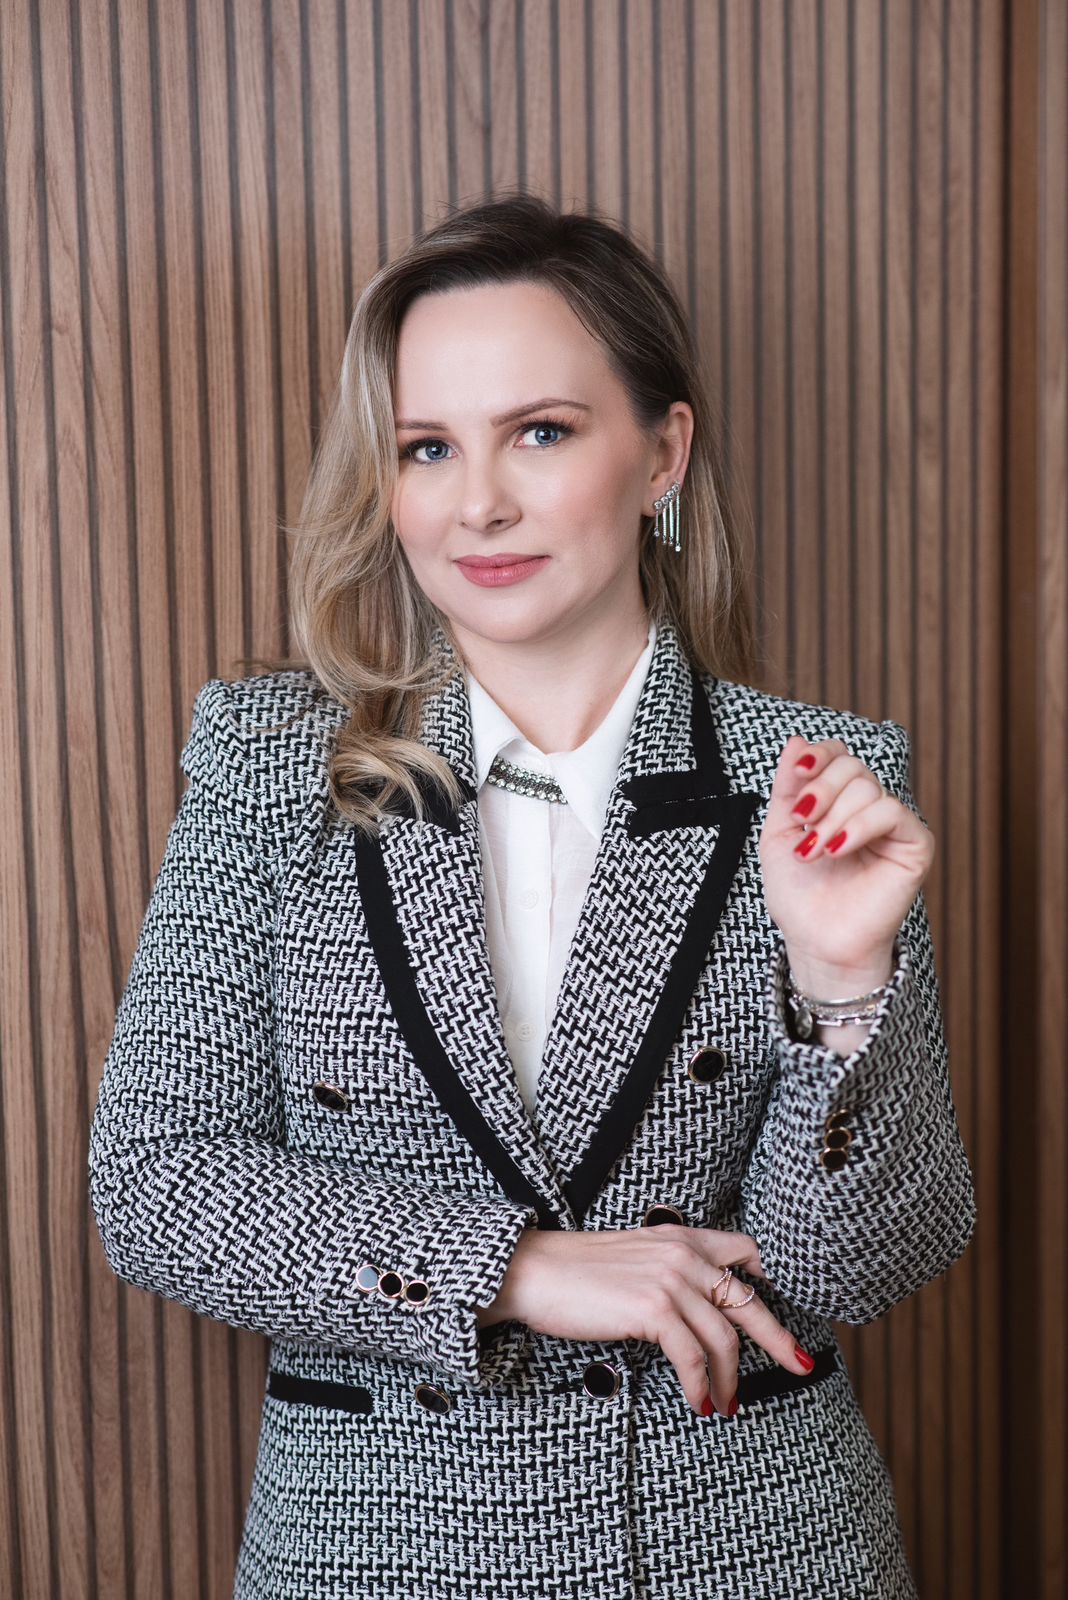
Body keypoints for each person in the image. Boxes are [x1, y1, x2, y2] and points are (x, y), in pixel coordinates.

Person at [88, 193, 976, 1600]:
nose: (478, 503)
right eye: (428, 447)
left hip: (740, 1548)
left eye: (541, 433)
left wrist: (840, 986)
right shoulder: (271, 766)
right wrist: (517, 1268)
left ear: (662, 454)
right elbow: (156, 1184)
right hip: (378, 1552)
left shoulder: (814, 780)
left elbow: (864, 1265)